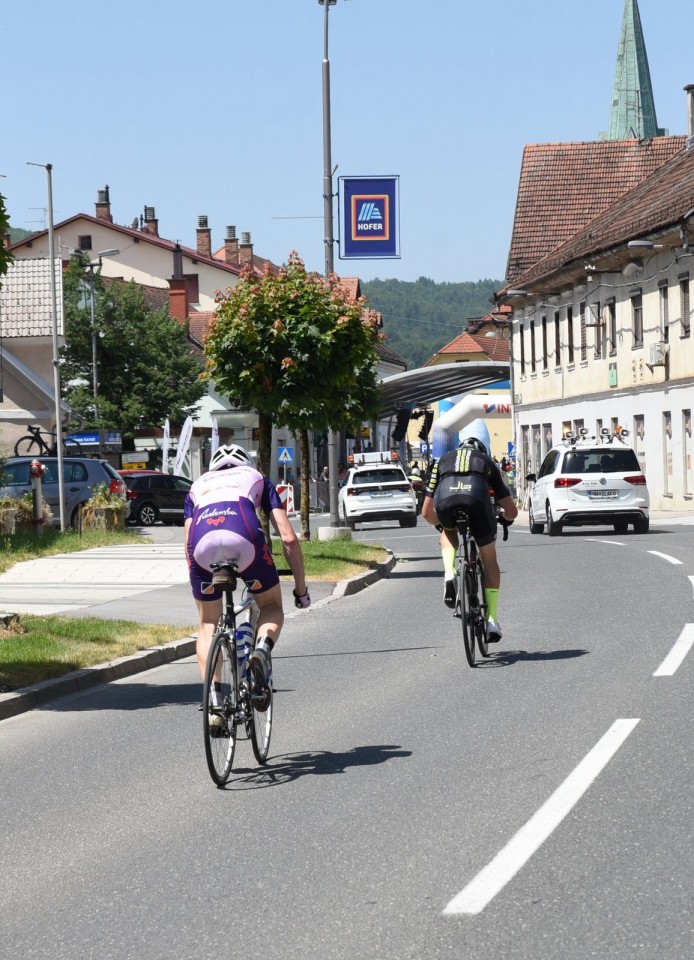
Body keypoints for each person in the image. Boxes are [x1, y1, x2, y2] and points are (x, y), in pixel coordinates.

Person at [184, 444, 310, 709]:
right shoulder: (258, 479)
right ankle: (260, 652)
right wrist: (301, 590)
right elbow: (288, 538)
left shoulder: (196, 486)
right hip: (244, 538)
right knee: (272, 606)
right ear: (246, 465)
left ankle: (215, 702)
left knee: (207, 622)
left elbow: (188, 545)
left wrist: (199, 579)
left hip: (202, 546)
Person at [421, 436, 518, 642]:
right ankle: (491, 619)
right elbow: (511, 510)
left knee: (448, 531)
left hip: (446, 500)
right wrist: (505, 518)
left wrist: (442, 526)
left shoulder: (443, 460)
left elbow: (426, 512)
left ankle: (449, 573)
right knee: (490, 560)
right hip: (477, 500)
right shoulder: (486, 461)